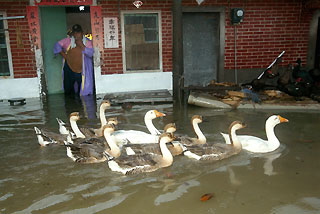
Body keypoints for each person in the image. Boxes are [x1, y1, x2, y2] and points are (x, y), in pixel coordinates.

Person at [54, 24, 94, 96]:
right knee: (68, 89)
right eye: (75, 33)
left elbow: (91, 53)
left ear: (82, 32)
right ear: (72, 34)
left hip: (82, 70)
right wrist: (64, 55)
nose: (76, 35)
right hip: (69, 69)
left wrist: (81, 45)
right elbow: (57, 45)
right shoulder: (67, 41)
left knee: (82, 89)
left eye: (78, 32)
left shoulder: (88, 42)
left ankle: (80, 105)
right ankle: (70, 105)